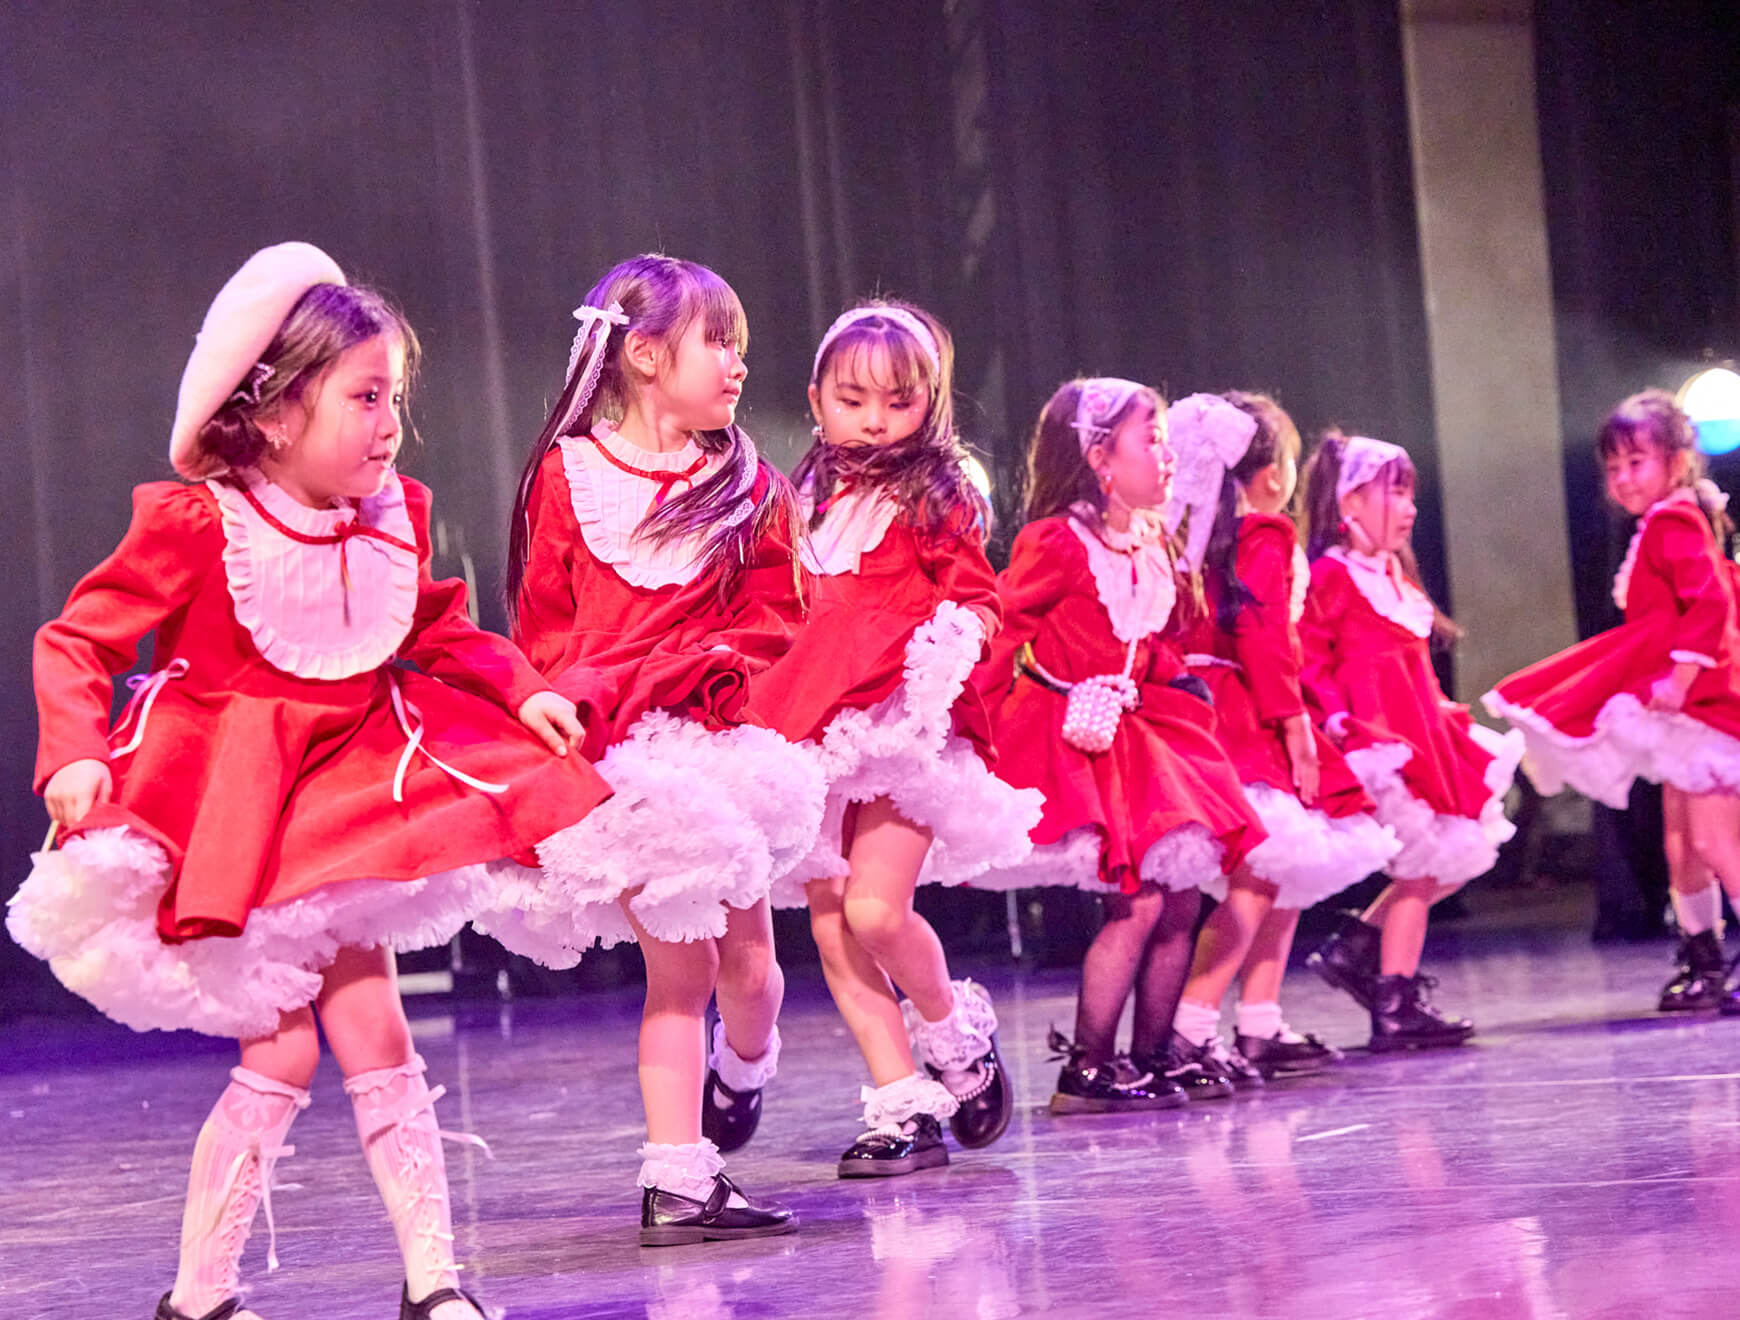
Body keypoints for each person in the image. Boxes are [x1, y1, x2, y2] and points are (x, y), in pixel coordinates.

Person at [8, 242, 612, 1319]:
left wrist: (521, 692)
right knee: (282, 1053)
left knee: (376, 1029)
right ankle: (199, 1296)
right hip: (242, 814)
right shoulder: (203, 522)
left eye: (395, 398)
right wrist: (78, 751)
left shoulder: (391, 516)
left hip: (351, 803)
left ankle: (434, 1284)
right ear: (279, 411)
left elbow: (436, 627)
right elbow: (77, 639)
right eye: (365, 398)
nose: (391, 424)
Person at [481, 254, 820, 1244]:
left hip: (712, 741)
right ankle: (676, 1179)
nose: (737, 365)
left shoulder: (745, 484)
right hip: (621, 759)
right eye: (718, 343)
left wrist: (708, 660)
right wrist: (568, 703)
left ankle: (742, 1070)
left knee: (750, 971)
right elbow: (545, 628)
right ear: (642, 355)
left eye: (739, 347)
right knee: (684, 965)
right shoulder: (567, 477)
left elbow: (776, 614)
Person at [749, 301, 1040, 1176]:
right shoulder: (792, 501)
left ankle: (955, 1033)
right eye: (853, 400)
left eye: (898, 402)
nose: (875, 420)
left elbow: (979, 597)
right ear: (816, 399)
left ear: (930, 404)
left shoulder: (937, 495)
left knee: (875, 912)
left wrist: (950, 647)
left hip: (902, 721)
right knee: (833, 926)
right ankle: (901, 1101)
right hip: (812, 722)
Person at [976, 378, 1267, 1112]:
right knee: (1136, 903)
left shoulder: (1146, 538)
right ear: (1100, 457)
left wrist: (1176, 681)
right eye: (1152, 440)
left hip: (1143, 729)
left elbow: (1148, 641)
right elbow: (1003, 631)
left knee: (1180, 902)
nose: (1167, 456)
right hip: (1078, 737)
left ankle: (1153, 1052)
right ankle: (1088, 1064)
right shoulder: (1058, 541)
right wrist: (968, 725)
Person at [1163, 393, 1398, 1079]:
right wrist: (1295, 726)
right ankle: (1192, 1027)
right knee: (1261, 875)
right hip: (1246, 710)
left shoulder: (1190, 538)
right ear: (1270, 475)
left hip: (1199, 702)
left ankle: (1259, 1021)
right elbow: (1265, 639)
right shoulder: (1263, 534)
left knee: (1283, 866)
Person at [1486, 390, 1740, 1012]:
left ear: (1677, 461)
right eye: (1614, 467)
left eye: (1637, 462)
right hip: (1683, 711)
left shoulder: (1675, 520)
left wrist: (1680, 680)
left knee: (1714, 840)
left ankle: (1708, 953)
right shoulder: (1663, 522)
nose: (1624, 478)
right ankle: (1703, 955)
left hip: (1704, 705)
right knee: (1680, 844)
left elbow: (1711, 604)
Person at [1297, 431, 1521, 1050]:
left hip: (1423, 735)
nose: (1409, 507)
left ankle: (1356, 948)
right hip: (1379, 739)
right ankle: (1394, 1001)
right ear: (1349, 501)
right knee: (1421, 869)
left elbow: (1409, 665)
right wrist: (1339, 722)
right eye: (1393, 493)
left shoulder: (1394, 575)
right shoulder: (1332, 576)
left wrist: (1439, 709)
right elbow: (1310, 661)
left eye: (1408, 493)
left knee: (1454, 857)